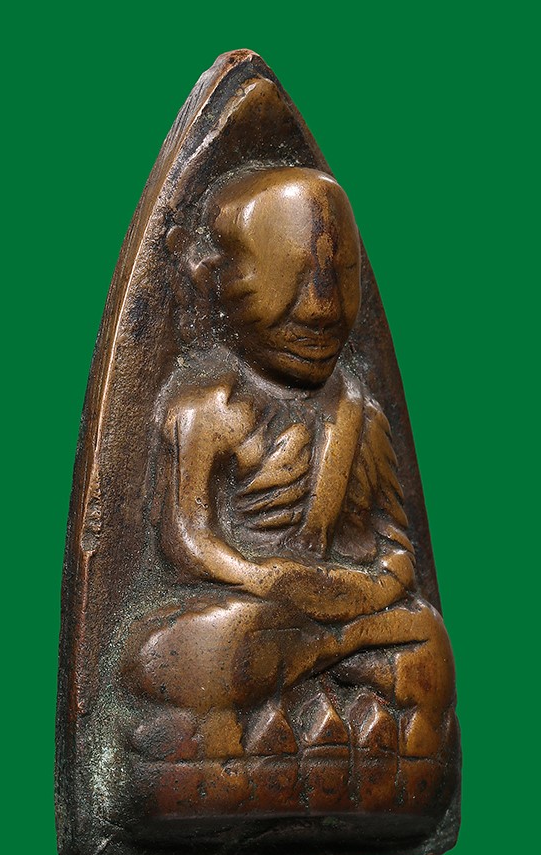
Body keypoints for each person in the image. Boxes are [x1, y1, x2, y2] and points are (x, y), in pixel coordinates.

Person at [121, 167, 456, 762]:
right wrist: (267, 578)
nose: (321, 309)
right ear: (215, 285)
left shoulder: (359, 414)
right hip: (256, 613)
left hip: (346, 615)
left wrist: (365, 589)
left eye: (340, 277)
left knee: (428, 638)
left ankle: (284, 721)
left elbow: (395, 547)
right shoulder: (208, 408)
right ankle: (321, 719)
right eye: (289, 277)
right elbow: (186, 542)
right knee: (189, 651)